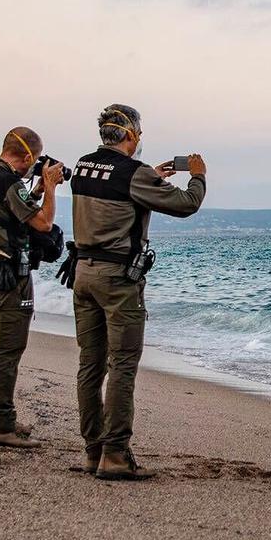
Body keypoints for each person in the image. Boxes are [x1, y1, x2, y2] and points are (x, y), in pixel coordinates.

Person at [67, 104, 206, 480]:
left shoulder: (82, 166)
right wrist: (198, 176)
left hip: (82, 274)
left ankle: (91, 451)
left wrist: (150, 178)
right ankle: (115, 454)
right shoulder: (133, 173)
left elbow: (113, 189)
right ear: (130, 135)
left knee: (90, 365)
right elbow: (186, 205)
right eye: (139, 133)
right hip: (117, 280)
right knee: (123, 364)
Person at [0, 127, 65, 448]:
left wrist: (34, 189)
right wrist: (49, 188)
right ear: (26, 156)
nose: (31, 168)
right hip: (8, 274)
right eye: (33, 163)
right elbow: (44, 223)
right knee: (8, 348)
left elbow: (9, 213)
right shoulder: (7, 182)